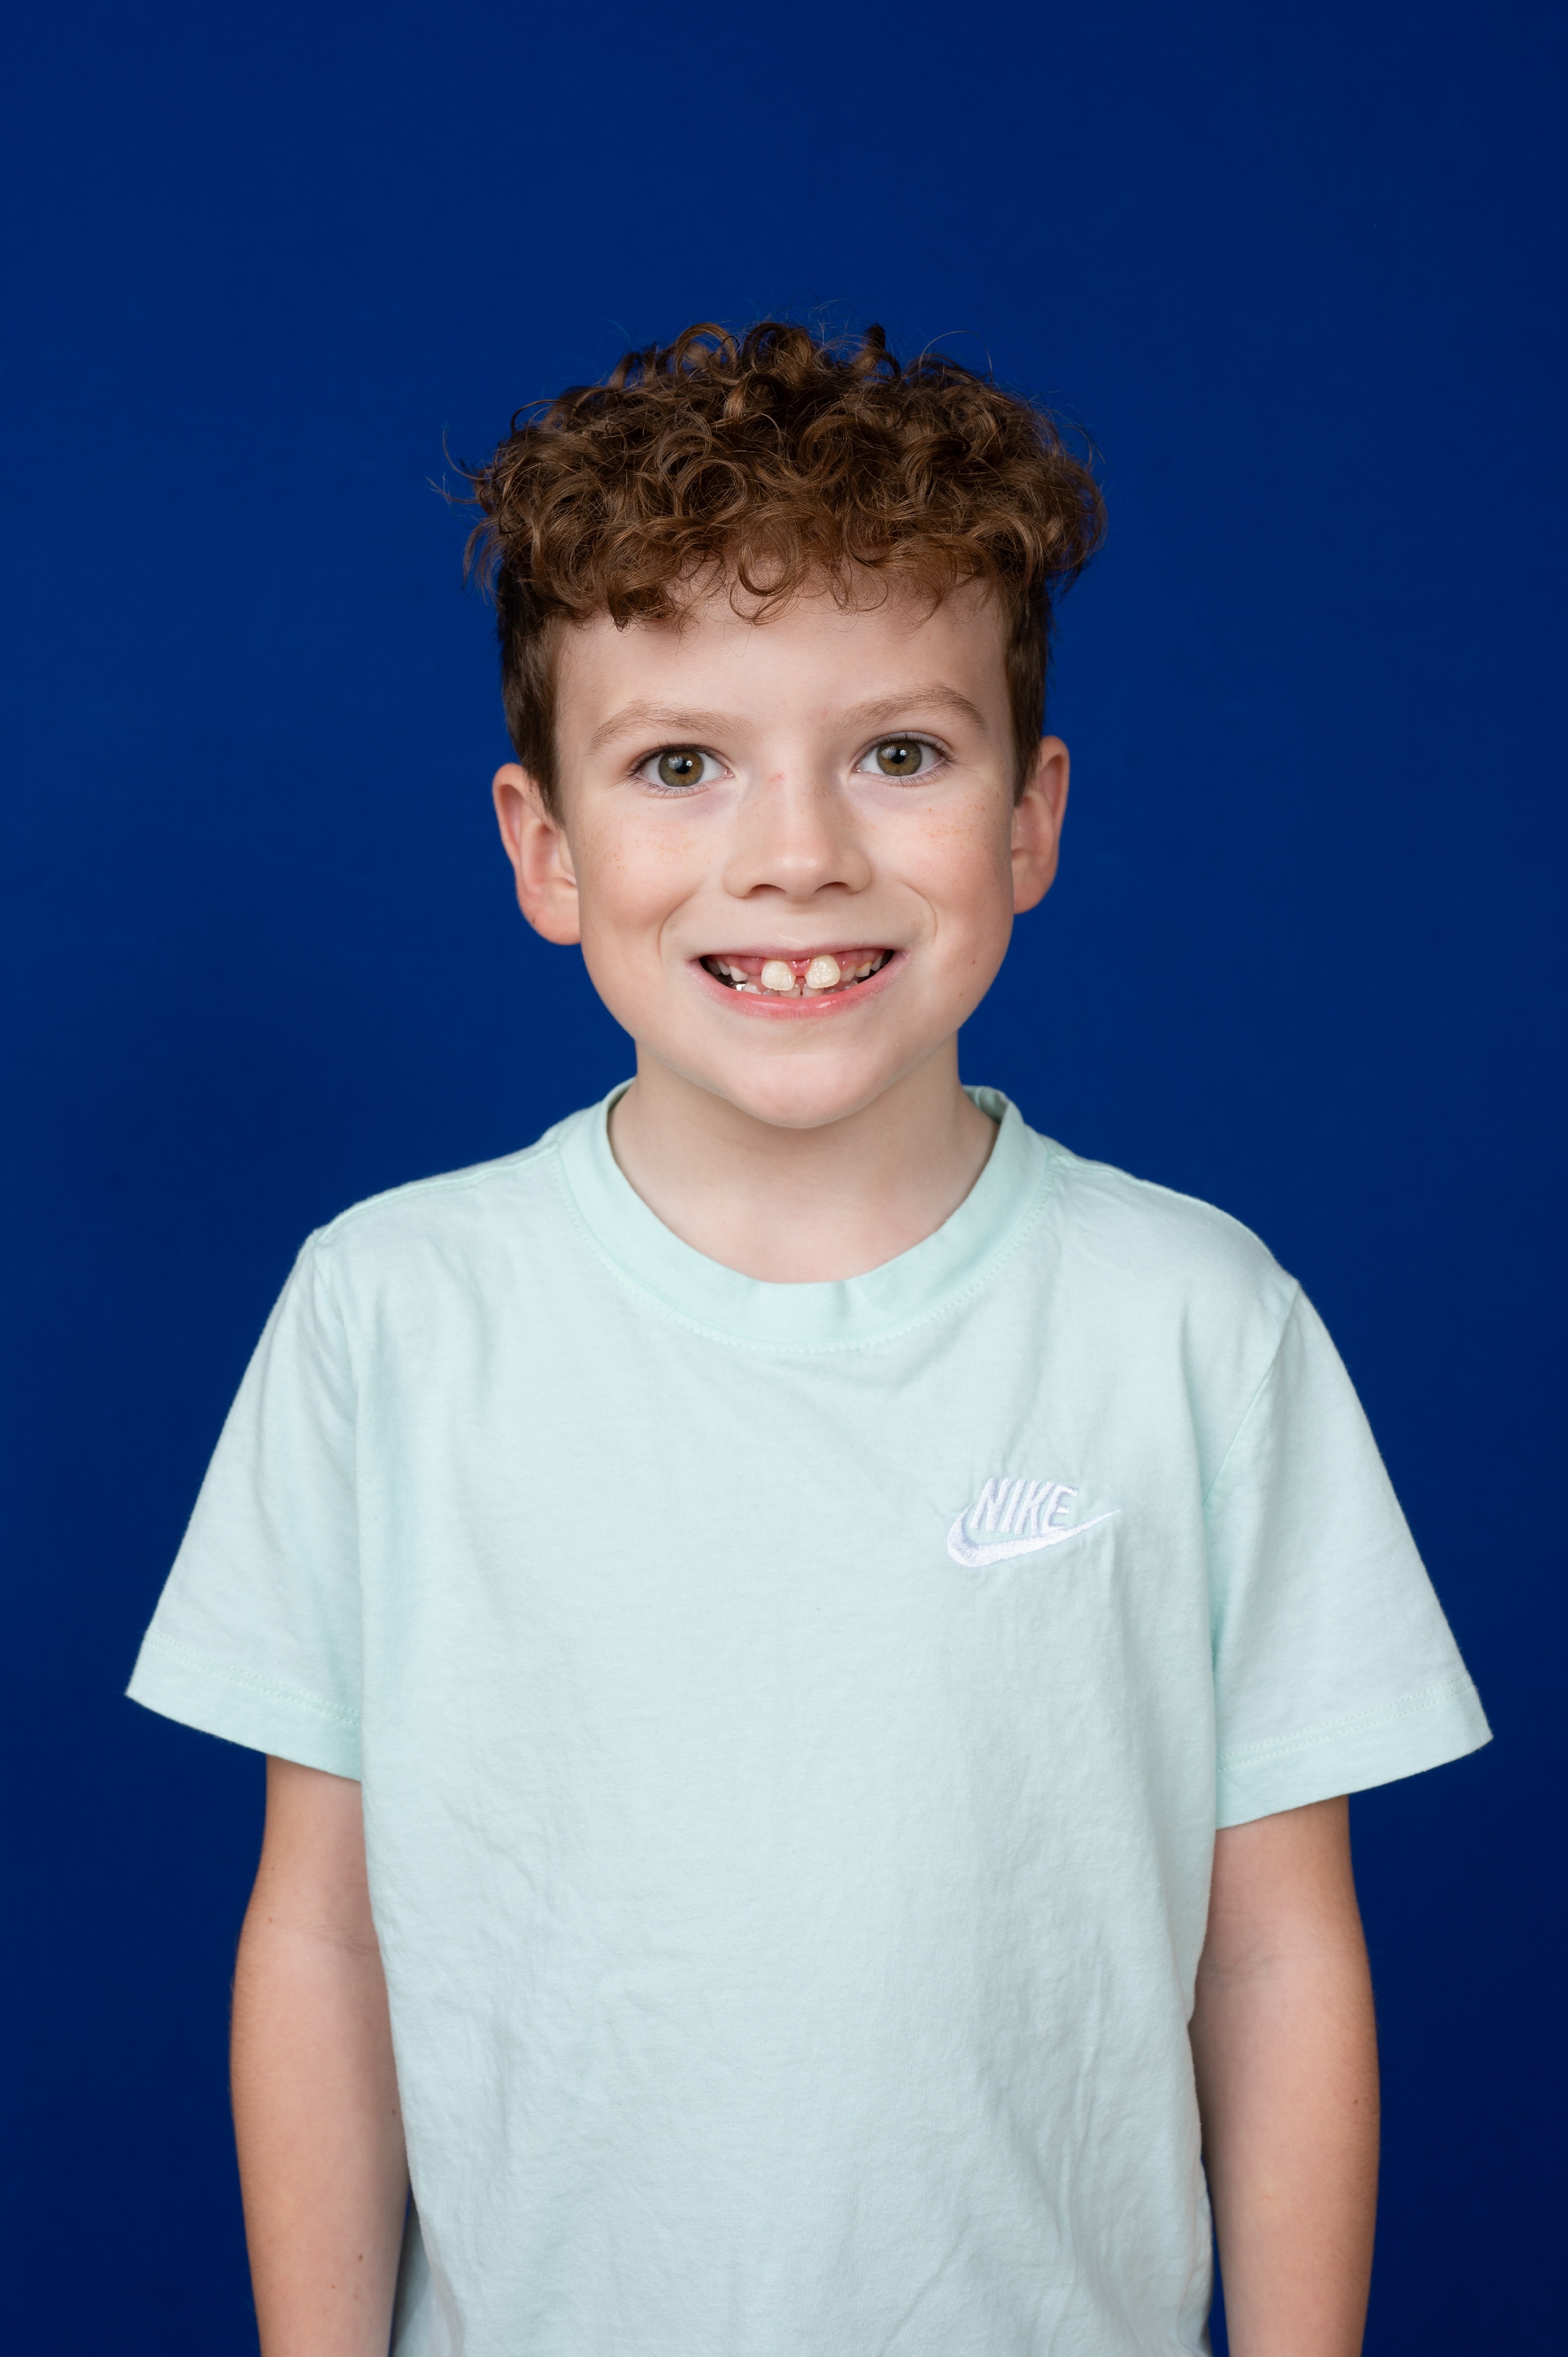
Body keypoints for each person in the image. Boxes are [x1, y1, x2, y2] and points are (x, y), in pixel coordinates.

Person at [128, 320, 1489, 2357]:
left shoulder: (1197, 1326)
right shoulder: (389, 1317)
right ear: (545, 847)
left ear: (1030, 818)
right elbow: (325, 1932)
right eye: (682, 764)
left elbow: (1278, 1954)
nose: (799, 853)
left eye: (900, 754)